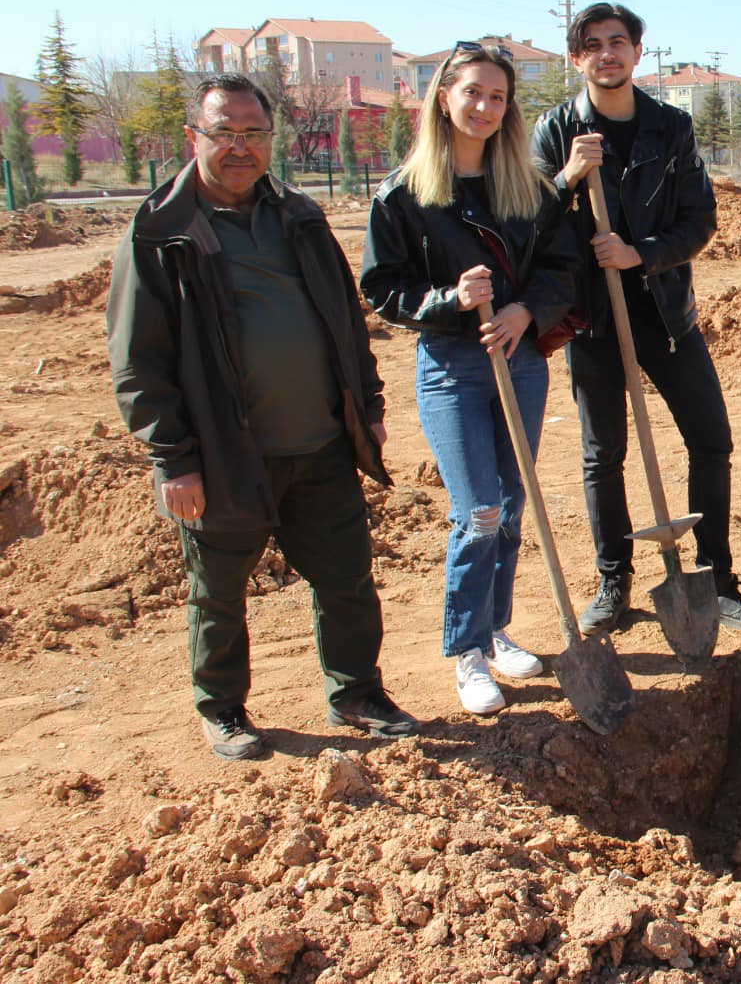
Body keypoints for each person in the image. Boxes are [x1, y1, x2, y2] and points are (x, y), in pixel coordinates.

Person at [107, 74, 417, 760]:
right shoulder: (162, 232)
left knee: (346, 578)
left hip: (321, 447)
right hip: (223, 457)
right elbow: (138, 364)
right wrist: (173, 459)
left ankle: (357, 693)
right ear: (195, 138)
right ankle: (223, 710)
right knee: (218, 593)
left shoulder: (300, 219)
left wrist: (365, 408)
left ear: (272, 140)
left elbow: (345, 323)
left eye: (253, 134)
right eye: (224, 133)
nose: (239, 147)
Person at [532, 2, 741, 636]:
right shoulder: (554, 131)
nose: (606, 53)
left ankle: (716, 578)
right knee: (602, 454)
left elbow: (699, 220)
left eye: (618, 42)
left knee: (710, 439)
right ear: (576, 57)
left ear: (638, 52)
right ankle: (614, 580)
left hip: (666, 311)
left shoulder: (671, 127)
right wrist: (567, 178)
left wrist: (640, 253)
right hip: (591, 318)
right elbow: (526, 226)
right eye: (592, 44)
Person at [362, 41, 580, 717]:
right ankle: (466, 651)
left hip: (519, 361)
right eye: (472, 93)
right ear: (443, 97)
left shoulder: (528, 187)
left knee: (513, 505)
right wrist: (448, 301)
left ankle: (496, 628)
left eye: (498, 97)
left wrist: (525, 309)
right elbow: (381, 287)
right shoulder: (403, 195)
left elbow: (561, 268)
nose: (485, 107)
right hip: (452, 367)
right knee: (479, 509)